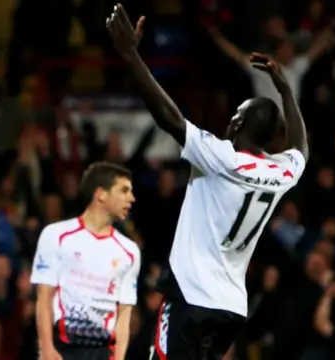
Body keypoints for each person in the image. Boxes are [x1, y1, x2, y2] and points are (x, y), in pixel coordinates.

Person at [107, 4, 309, 360]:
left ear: (236, 123)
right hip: (231, 307)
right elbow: (301, 148)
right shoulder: (280, 173)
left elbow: (169, 117)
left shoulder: (220, 158)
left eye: (236, 115)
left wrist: (130, 56)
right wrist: (288, 93)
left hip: (191, 298)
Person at [31, 161, 141, 360]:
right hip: (61, 349)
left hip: (102, 352)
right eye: (124, 190)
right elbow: (44, 296)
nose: (131, 198)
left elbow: (124, 313)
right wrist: (46, 348)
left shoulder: (130, 251)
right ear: (101, 194)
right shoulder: (56, 235)